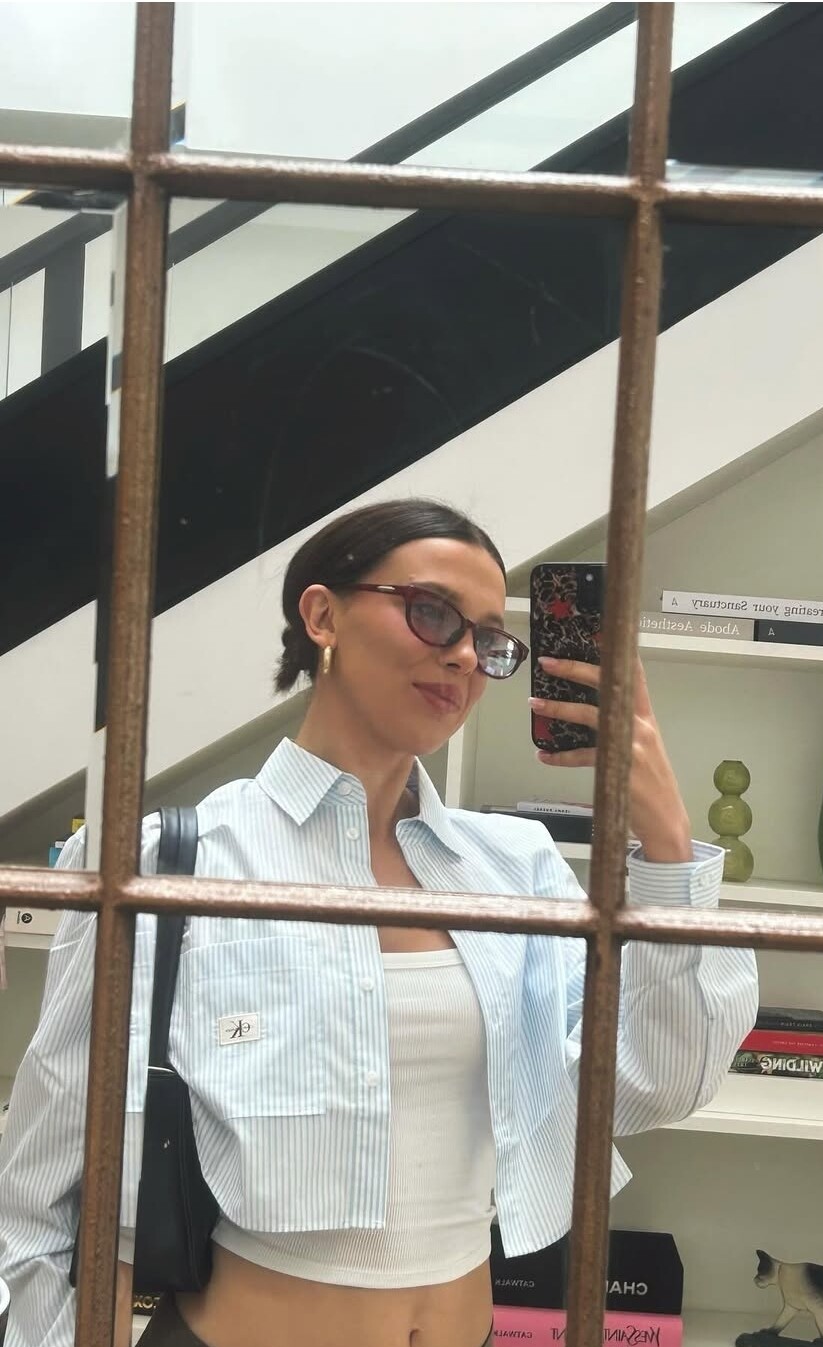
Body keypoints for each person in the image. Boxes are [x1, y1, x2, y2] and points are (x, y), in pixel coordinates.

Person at [0, 498, 759, 1347]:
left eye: (489, 640)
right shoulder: (170, 863)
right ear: (322, 615)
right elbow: (36, 1189)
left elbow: (656, 1082)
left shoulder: (513, 871)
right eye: (432, 613)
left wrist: (663, 836)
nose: (465, 655)